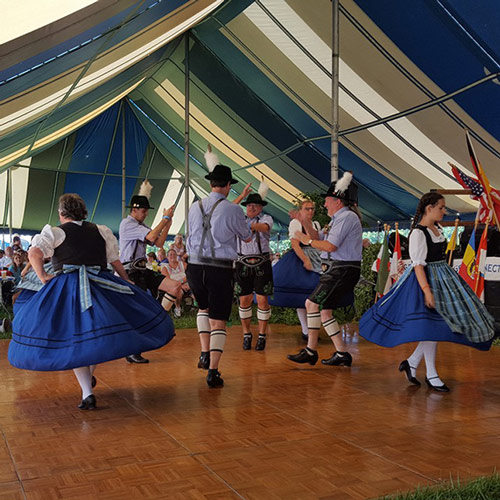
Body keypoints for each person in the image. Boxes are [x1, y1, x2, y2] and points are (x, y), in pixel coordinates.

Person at [8, 194, 174, 409]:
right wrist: (125, 280)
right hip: (100, 285)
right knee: (95, 336)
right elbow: (114, 260)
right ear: (83, 211)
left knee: (76, 337)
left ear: (61, 213)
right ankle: (88, 384)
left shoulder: (56, 232)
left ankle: (87, 393)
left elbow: (35, 252)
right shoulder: (101, 230)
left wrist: (42, 277)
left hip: (67, 288)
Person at [359, 192, 495, 391]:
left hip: (442, 279)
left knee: (433, 328)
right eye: (441, 207)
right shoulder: (418, 233)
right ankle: (430, 374)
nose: (444, 211)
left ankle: (414, 364)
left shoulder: (436, 228)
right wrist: (427, 291)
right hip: (425, 282)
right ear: (428, 208)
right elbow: (418, 266)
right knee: (431, 328)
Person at [186, 146, 252, 388]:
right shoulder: (233, 209)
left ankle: (204, 352)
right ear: (228, 186)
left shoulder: (194, 206)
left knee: (202, 309)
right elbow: (245, 237)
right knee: (219, 320)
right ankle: (213, 371)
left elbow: (191, 234)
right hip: (220, 268)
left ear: (212, 183)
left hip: (194, 266)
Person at [287, 172, 362, 367]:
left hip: (342, 269)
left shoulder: (346, 217)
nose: (325, 204)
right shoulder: (339, 218)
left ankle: (311, 351)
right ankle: (342, 353)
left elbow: (329, 246)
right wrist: (304, 222)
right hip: (338, 269)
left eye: (327, 200)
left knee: (311, 304)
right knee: (324, 312)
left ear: (338, 200)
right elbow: (319, 235)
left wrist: (308, 241)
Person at [119, 180, 181, 364]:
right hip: (130, 271)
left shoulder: (141, 226)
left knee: (175, 286)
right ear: (134, 210)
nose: (146, 214)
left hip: (142, 269)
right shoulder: (127, 224)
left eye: (147, 211)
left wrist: (168, 222)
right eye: (144, 211)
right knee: (136, 311)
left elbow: (159, 242)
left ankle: (159, 319)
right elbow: (152, 236)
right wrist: (165, 219)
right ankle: (132, 349)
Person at [235, 185, 273, 351]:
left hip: (262, 262)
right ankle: (246, 334)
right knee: (244, 300)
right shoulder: (239, 219)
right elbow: (226, 211)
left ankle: (262, 335)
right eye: (249, 205)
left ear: (260, 208)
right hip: (242, 262)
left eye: (254, 205)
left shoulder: (266, 219)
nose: (251, 207)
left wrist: (245, 226)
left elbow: (264, 228)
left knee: (263, 300)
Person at [161, 248, 189, 318]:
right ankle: (178, 308)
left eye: (174, 254)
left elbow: (190, 275)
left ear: (177, 256)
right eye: (170, 255)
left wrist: (182, 282)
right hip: (174, 287)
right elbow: (167, 280)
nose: (172, 256)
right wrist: (180, 285)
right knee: (177, 291)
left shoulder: (183, 264)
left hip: (187, 285)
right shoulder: (165, 267)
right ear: (167, 257)